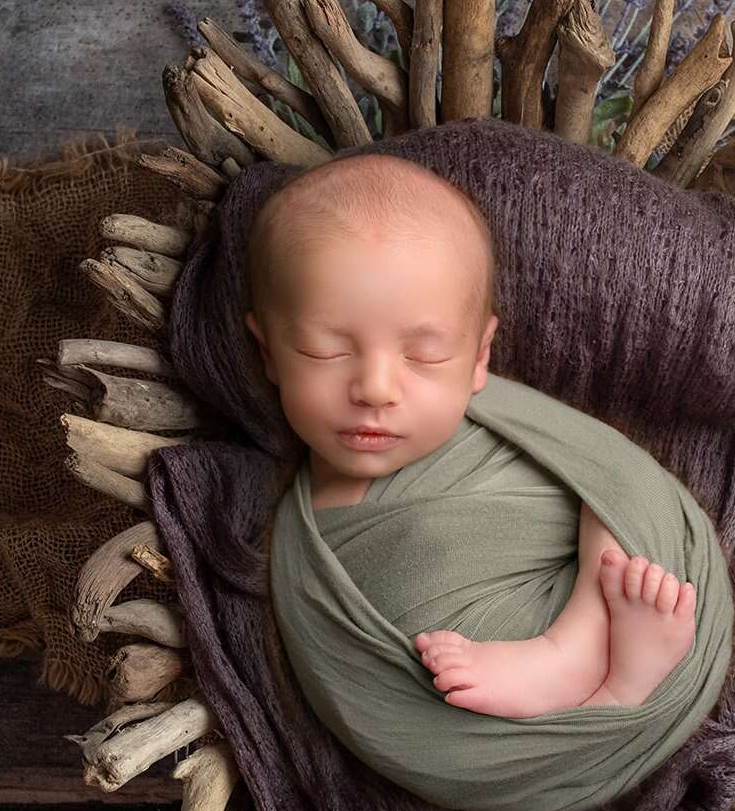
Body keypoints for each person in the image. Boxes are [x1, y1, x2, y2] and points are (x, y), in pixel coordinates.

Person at [242, 150, 698, 718]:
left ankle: (577, 656)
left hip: (608, 610)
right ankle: (615, 695)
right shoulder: (289, 534)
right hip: (456, 724)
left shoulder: (511, 423)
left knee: (622, 484)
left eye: (426, 355)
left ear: (479, 357)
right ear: (268, 352)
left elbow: (620, 474)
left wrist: (588, 604)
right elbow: (347, 694)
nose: (376, 388)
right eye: (325, 350)